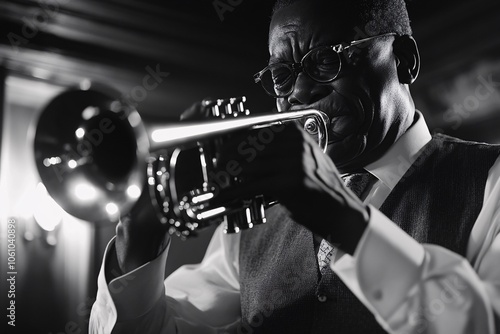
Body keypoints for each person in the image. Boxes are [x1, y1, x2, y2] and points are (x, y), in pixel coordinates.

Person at [90, 0, 500, 333]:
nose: (301, 91)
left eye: (326, 61)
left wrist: (345, 219)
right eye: (282, 76)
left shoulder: (489, 180)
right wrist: (138, 241)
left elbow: (481, 324)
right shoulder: (257, 215)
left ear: (404, 60)